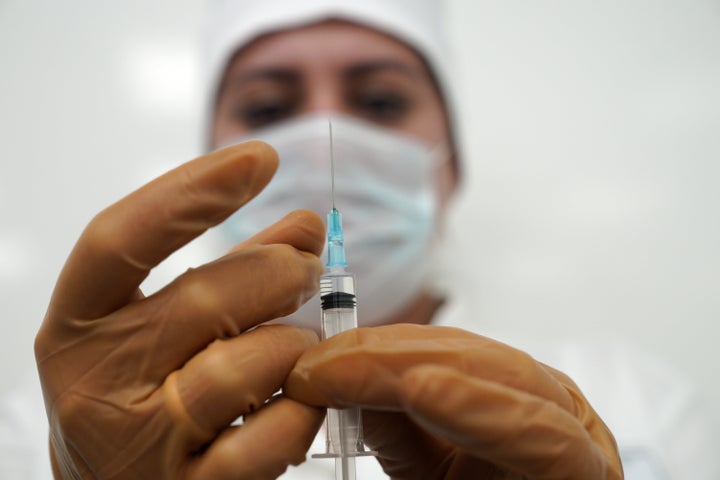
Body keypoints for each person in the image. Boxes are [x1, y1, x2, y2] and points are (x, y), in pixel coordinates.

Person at [33, 0, 689, 478]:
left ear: (450, 165)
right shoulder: (42, 436)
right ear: (207, 157)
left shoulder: (640, 405)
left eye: (379, 102)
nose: (326, 141)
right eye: (266, 108)